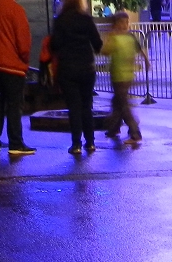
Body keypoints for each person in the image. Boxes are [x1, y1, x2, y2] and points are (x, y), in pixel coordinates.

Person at [50, 0, 99, 155]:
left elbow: (55, 44)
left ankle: (76, 144)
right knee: (86, 105)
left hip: (68, 69)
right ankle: (90, 142)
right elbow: (97, 44)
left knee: (74, 107)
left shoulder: (61, 20)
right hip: (87, 68)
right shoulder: (86, 19)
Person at [0, 0, 32, 155]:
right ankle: (15, 143)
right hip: (12, 65)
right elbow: (23, 41)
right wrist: (25, 58)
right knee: (14, 105)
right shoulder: (16, 10)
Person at [101, 10, 144, 145]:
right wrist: (146, 62)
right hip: (128, 75)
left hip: (119, 76)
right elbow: (140, 50)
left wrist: (108, 37)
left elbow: (105, 51)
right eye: (123, 22)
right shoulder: (130, 37)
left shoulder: (115, 38)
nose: (125, 24)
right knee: (117, 102)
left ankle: (135, 132)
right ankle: (114, 128)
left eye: (126, 22)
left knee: (123, 105)